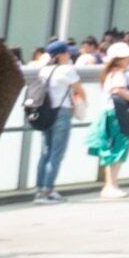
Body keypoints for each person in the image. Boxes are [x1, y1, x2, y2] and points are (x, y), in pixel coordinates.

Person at [82, 42, 129, 198]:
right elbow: (118, 90)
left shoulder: (111, 74)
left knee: (112, 147)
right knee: (118, 147)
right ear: (119, 59)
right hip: (118, 114)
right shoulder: (120, 74)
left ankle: (111, 184)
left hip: (110, 113)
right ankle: (110, 185)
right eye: (127, 56)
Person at [25, 42, 80, 202]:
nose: (69, 55)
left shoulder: (43, 70)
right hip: (61, 113)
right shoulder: (67, 70)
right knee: (56, 153)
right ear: (60, 55)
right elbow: (79, 90)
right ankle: (48, 191)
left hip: (45, 113)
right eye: (66, 53)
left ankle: (39, 189)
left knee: (45, 152)